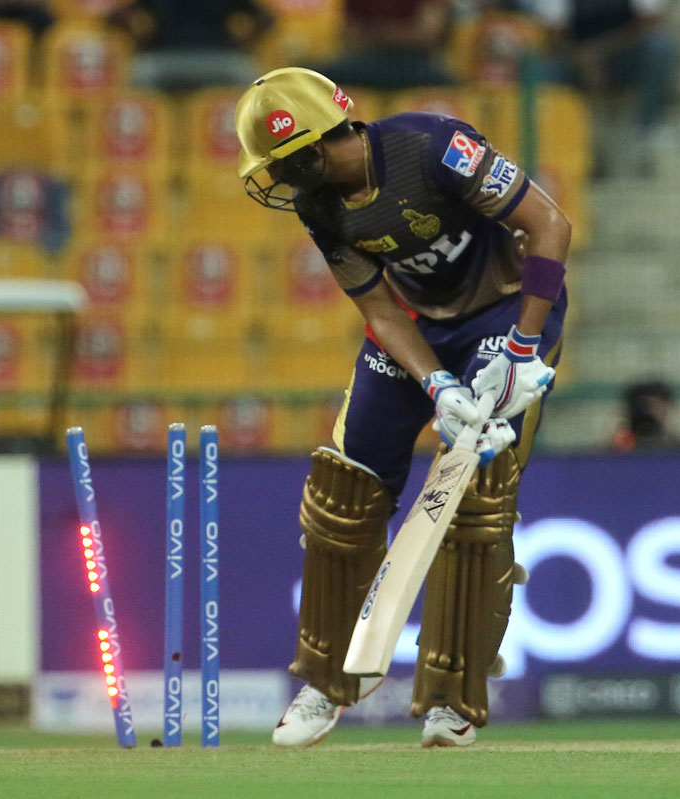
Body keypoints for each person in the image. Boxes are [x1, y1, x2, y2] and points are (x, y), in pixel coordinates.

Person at [234, 68, 571, 747]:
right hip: (419, 328)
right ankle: (328, 682)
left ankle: (454, 697)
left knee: (472, 496)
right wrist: (438, 385)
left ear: (313, 146)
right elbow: (379, 308)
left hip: (506, 314)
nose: (278, 178)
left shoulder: (433, 147)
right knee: (344, 492)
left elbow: (549, 225)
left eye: (281, 162)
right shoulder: (321, 204)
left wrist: (525, 347)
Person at [518, 0, 677, 174]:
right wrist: (582, 59)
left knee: (660, 46)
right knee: (542, 72)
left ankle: (648, 129)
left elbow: (650, 22)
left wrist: (599, 52)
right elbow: (553, 35)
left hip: (624, 55)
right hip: (576, 59)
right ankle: (556, 142)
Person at [106, 0, 274, 92]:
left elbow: (266, 18)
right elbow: (115, 17)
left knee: (141, 74)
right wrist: (242, 44)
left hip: (206, 58)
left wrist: (142, 42)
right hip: (190, 59)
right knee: (139, 74)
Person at [316, 0, 457, 89]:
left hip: (415, 62)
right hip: (368, 60)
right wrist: (404, 32)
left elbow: (427, 36)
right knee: (314, 76)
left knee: (454, 87)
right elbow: (350, 34)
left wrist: (376, 32)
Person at [611, 378, 680, 451]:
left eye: (654, 406)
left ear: (667, 407)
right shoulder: (616, 452)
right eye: (640, 406)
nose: (646, 412)